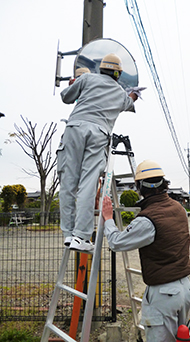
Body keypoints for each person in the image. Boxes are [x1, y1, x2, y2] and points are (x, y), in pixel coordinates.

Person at [102, 160, 190, 341]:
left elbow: (116, 243)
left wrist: (108, 218)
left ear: (140, 186)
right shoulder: (179, 208)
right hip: (185, 290)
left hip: (164, 295)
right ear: (164, 183)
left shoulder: (147, 219)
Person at [57, 53, 138, 253]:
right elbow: (130, 104)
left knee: (68, 183)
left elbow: (66, 97)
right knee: (87, 184)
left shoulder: (87, 78)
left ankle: (68, 234)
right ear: (118, 73)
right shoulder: (120, 93)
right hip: (98, 134)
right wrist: (133, 96)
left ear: (101, 68)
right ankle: (81, 237)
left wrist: (72, 83)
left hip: (74, 128)